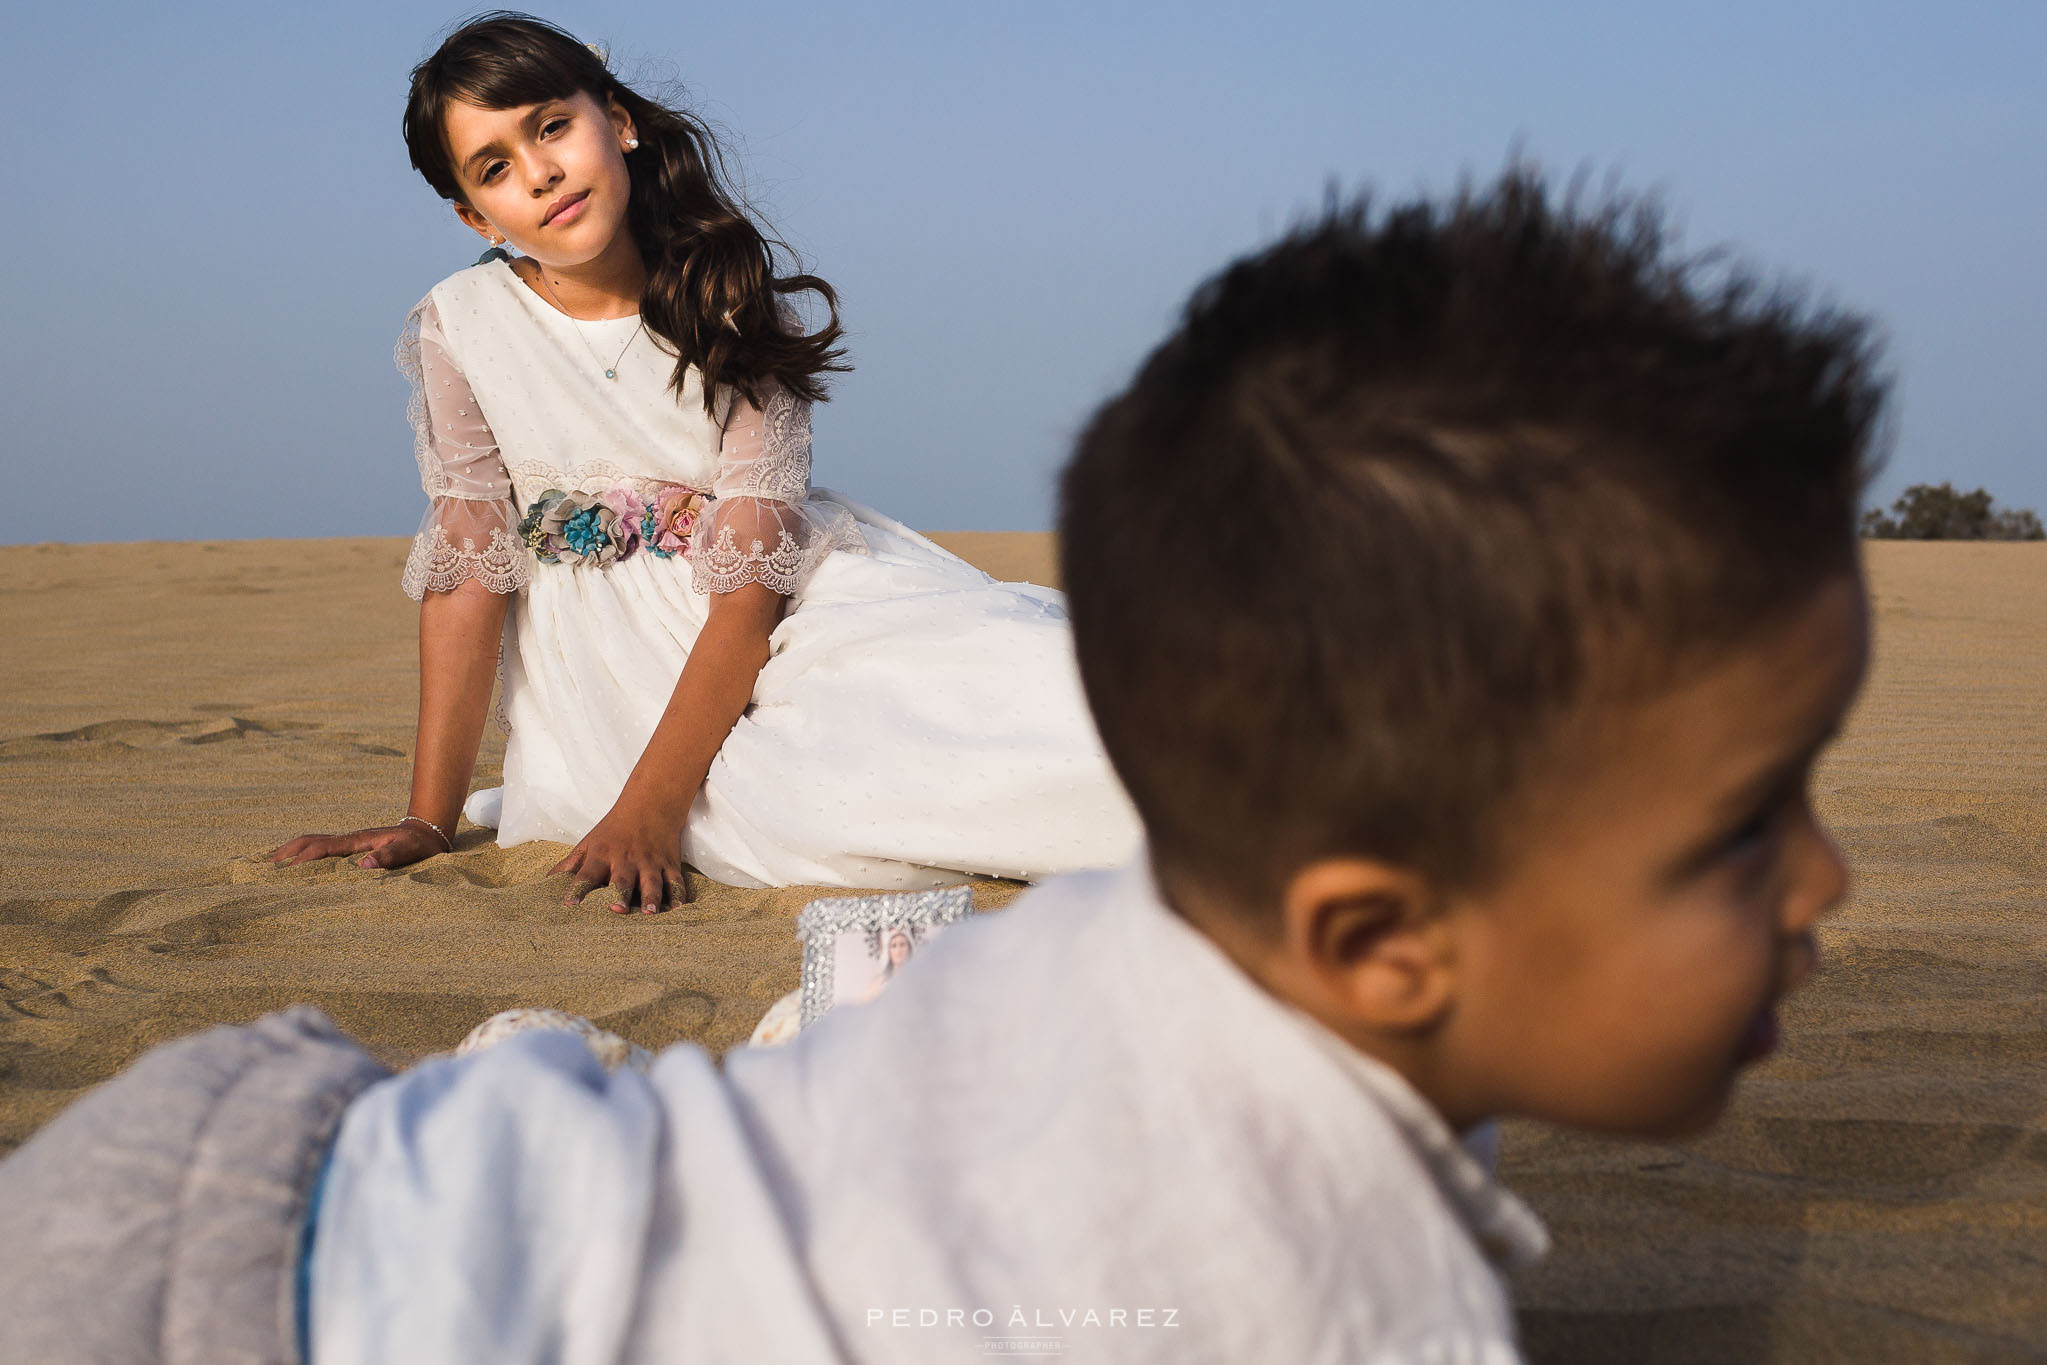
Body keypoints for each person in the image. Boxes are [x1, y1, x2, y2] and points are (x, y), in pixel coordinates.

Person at [0, 169, 1881, 1364]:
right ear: (1378, 935)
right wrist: (440, 804)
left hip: (323, 1161)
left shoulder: (1156, 943)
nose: (1828, 882)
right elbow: (473, 558)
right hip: (236, 1306)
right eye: (1740, 828)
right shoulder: (1332, 1303)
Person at [264, 13, 1139, 909]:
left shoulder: (726, 297)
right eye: (494, 167)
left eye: (551, 125)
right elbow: (471, 572)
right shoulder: (462, 323)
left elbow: (750, 594)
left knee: (994, 704)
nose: (540, 171)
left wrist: (651, 805)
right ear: (472, 212)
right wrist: (429, 818)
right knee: (804, 809)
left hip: (776, 623)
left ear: (620, 121)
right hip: (603, 687)